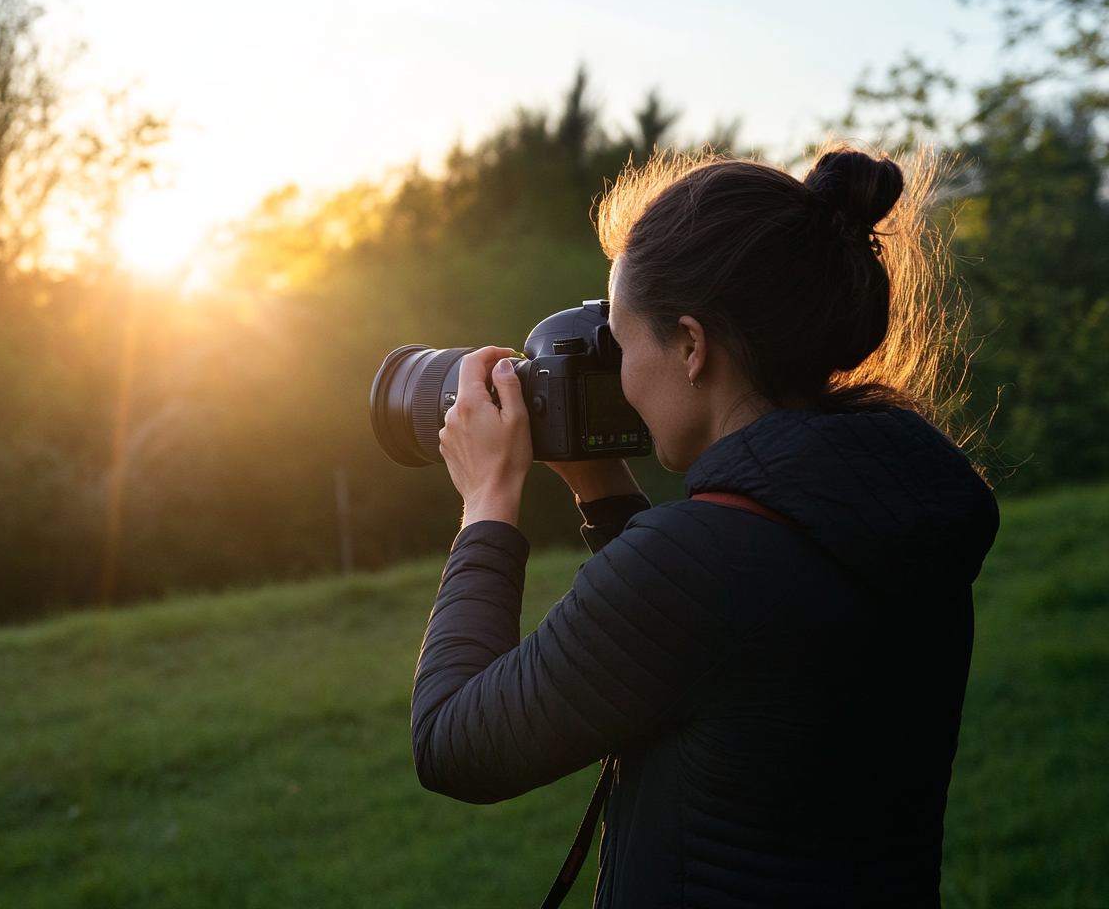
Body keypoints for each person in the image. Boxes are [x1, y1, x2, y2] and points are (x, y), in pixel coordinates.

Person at [410, 146, 1000, 908]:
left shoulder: (702, 565)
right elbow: (727, 655)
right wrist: (599, 484)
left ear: (691, 344)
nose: (617, 377)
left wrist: (488, 499)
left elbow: (454, 746)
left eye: (622, 345)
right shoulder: (896, 521)